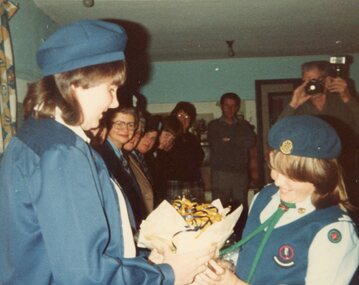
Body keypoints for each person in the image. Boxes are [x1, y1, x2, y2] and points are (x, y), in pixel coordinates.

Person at [0, 19, 212, 285]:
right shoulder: (63, 152)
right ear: (78, 84)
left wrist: (145, 262)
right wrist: (167, 275)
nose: (113, 102)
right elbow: (84, 275)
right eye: (110, 89)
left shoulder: (31, 136)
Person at [193, 115, 359, 285]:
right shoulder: (264, 197)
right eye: (274, 168)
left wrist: (234, 284)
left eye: (292, 176)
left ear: (320, 175)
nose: (278, 181)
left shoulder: (333, 229)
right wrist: (227, 267)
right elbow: (254, 255)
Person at [279, 60, 359, 226]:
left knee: (349, 215)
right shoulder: (300, 108)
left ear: (327, 80)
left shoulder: (342, 101)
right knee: (316, 213)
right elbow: (278, 134)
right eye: (305, 81)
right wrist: (293, 104)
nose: (310, 85)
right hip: (314, 171)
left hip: (345, 169)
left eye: (313, 80)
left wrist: (347, 97)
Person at [208, 92, 256, 209]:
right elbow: (216, 145)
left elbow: (251, 142)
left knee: (240, 209)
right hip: (220, 174)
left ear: (237, 107)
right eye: (226, 105)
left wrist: (229, 139)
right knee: (219, 209)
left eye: (233, 106)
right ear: (221, 106)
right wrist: (239, 140)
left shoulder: (244, 125)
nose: (230, 109)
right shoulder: (214, 125)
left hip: (240, 174)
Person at [165, 102, 205, 202]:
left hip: (194, 183)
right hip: (174, 184)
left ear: (191, 119)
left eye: (187, 116)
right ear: (174, 117)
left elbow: (200, 158)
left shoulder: (193, 138)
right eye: (180, 115)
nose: (183, 119)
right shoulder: (168, 136)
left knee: (197, 214)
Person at [147, 115, 182, 206]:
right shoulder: (146, 153)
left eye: (172, 138)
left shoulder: (162, 155)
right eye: (166, 135)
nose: (168, 140)